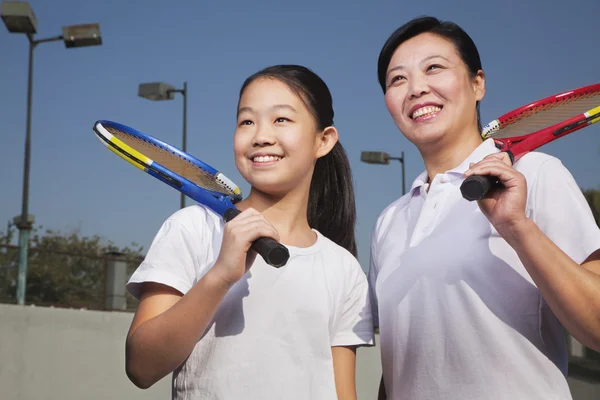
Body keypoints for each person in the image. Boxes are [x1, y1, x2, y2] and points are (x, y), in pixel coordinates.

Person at [368, 16, 600, 400]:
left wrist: (517, 227)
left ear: (478, 83)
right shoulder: (388, 221)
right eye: (397, 80)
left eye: (434, 68)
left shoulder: (537, 173)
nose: (416, 88)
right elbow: (399, 365)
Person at [124, 64, 374, 399]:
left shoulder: (343, 269)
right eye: (246, 121)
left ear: (324, 140)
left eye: (281, 119)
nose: (260, 136)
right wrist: (220, 276)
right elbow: (141, 367)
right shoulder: (193, 229)